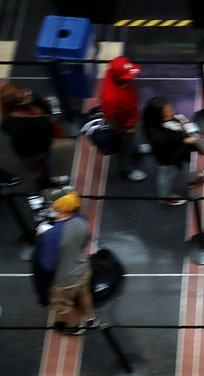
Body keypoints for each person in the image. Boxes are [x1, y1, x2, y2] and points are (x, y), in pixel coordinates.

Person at [32, 188, 99, 335]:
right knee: (84, 293)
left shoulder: (51, 234)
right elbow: (85, 241)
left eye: (50, 203)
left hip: (64, 281)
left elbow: (47, 265)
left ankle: (73, 327)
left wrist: (44, 238)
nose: (49, 206)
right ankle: (91, 318)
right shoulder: (82, 219)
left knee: (64, 306)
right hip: (83, 269)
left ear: (58, 207)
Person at [142, 97, 204, 206]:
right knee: (166, 176)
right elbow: (171, 158)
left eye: (170, 109)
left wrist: (181, 125)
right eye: (168, 112)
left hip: (180, 153)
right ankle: (165, 196)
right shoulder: (158, 136)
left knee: (185, 166)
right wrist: (186, 142)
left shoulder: (160, 122)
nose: (172, 113)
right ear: (159, 117)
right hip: (168, 160)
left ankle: (191, 179)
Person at [0, 83, 65, 190]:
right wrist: (37, 169)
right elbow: (25, 151)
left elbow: (46, 110)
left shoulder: (28, 101)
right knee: (42, 171)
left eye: (25, 92)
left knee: (45, 166)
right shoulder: (17, 125)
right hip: (36, 152)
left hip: (43, 144)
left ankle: (47, 180)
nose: (28, 95)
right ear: (16, 104)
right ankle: (46, 187)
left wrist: (36, 98)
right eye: (24, 96)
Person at [100, 56, 147, 182]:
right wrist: (124, 132)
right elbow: (110, 119)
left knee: (133, 137)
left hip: (131, 117)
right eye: (126, 77)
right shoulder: (111, 98)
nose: (131, 79)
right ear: (117, 77)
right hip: (122, 125)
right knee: (124, 147)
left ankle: (136, 148)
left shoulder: (113, 72)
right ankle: (127, 170)